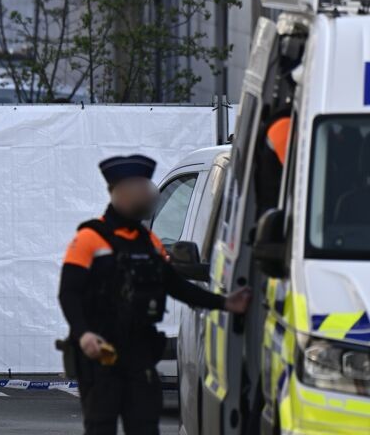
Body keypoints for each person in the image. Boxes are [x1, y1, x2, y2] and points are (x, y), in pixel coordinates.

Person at [59, 154, 250, 435]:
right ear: (121, 193)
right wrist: (83, 333)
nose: (150, 196)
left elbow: (177, 286)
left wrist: (224, 303)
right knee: (101, 427)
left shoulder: (149, 242)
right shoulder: (90, 238)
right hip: (101, 354)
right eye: (142, 188)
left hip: (139, 354)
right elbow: (69, 293)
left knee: (146, 426)